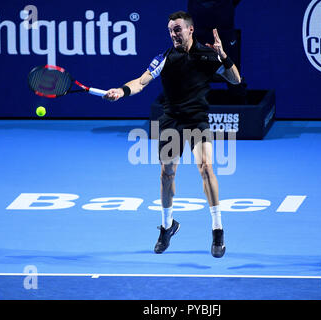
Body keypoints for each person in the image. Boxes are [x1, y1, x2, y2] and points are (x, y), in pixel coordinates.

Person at [103, 10, 241, 258]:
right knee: (167, 173)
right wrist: (122, 91)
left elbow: (235, 80)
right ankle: (167, 226)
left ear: (190, 29)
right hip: (171, 120)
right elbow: (142, 81)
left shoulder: (209, 56)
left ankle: (217, 229)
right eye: (170, 30)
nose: (173, 34)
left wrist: (224, 56)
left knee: (206, 168)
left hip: (197, 119)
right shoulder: (165, 57)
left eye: (177, 29)